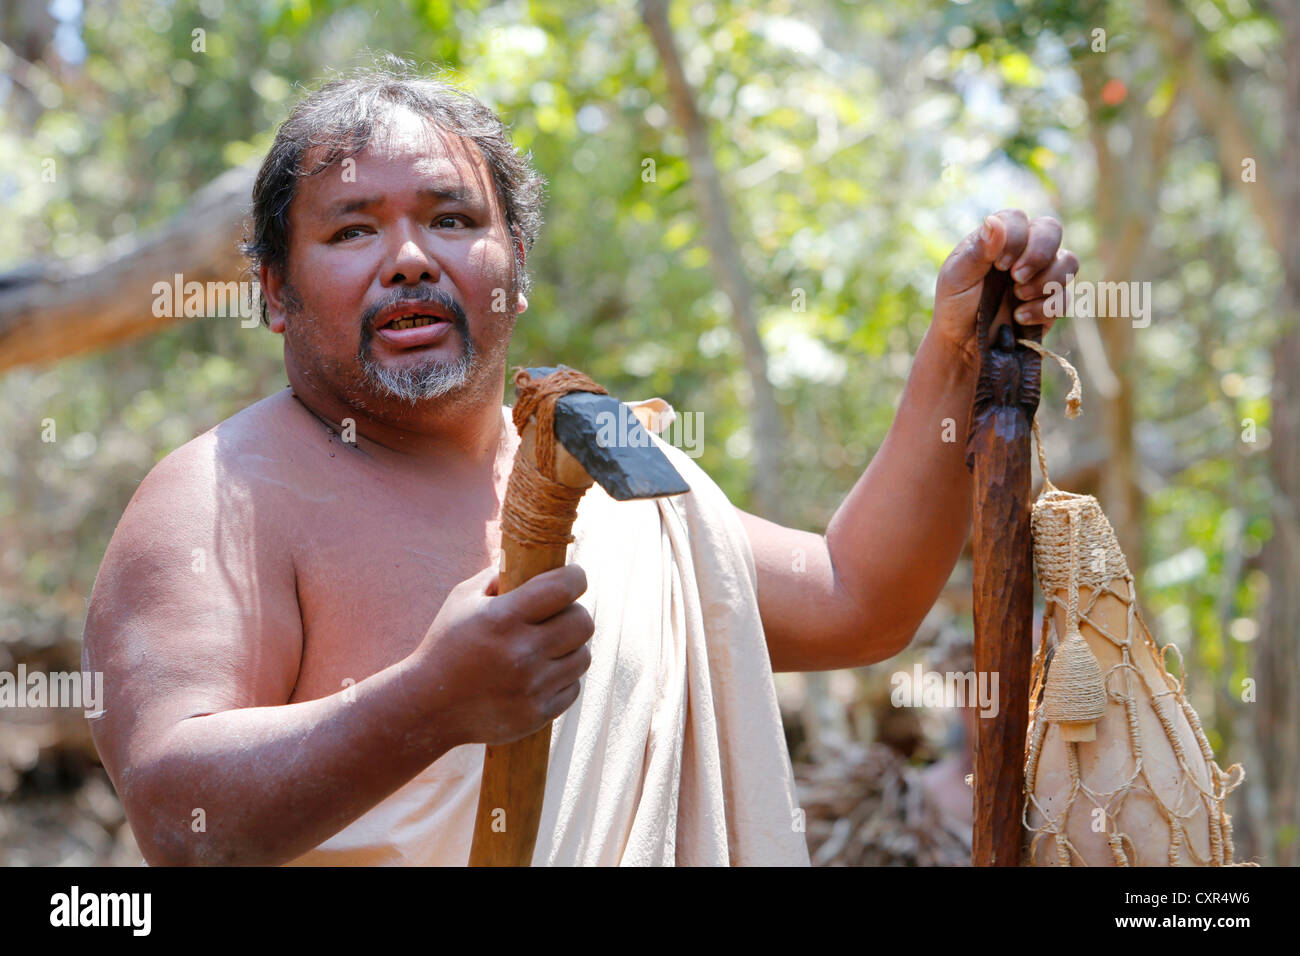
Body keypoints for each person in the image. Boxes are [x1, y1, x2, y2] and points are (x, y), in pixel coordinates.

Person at [82, 59, 1075, 866]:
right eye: (352, 230)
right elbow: (179, 814)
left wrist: (951, 354)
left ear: (513, 263)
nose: (411, 258)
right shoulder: (222, 492)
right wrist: (423, 702)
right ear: (273, 291)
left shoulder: (603, 451)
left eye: (454, 219)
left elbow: (856, 595)